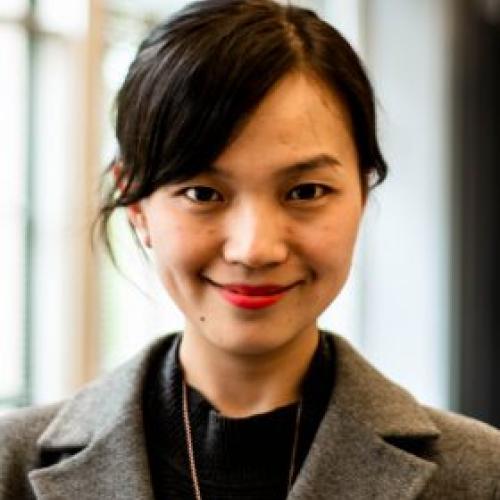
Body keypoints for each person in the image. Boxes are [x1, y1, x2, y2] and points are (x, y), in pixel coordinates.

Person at [1, 1, 500, 498]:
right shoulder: (10, 468)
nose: (254, 249)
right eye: (202, 193)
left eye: (305, 191)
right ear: (135, 204)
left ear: (364, 193)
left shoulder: (482, 476)